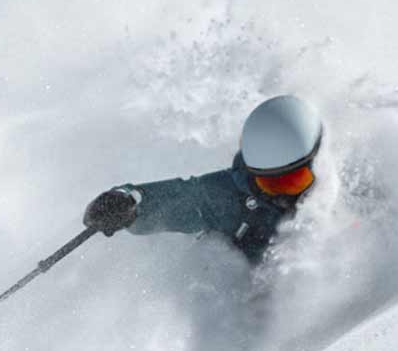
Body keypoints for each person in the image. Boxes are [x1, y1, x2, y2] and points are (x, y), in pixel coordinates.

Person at [83, 95, 323, 264]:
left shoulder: (348, 183)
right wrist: (129, 205)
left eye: (294, 181)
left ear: (317, 160)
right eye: (269, 184)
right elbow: (181, 199)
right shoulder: (232, 198)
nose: (281, 197)